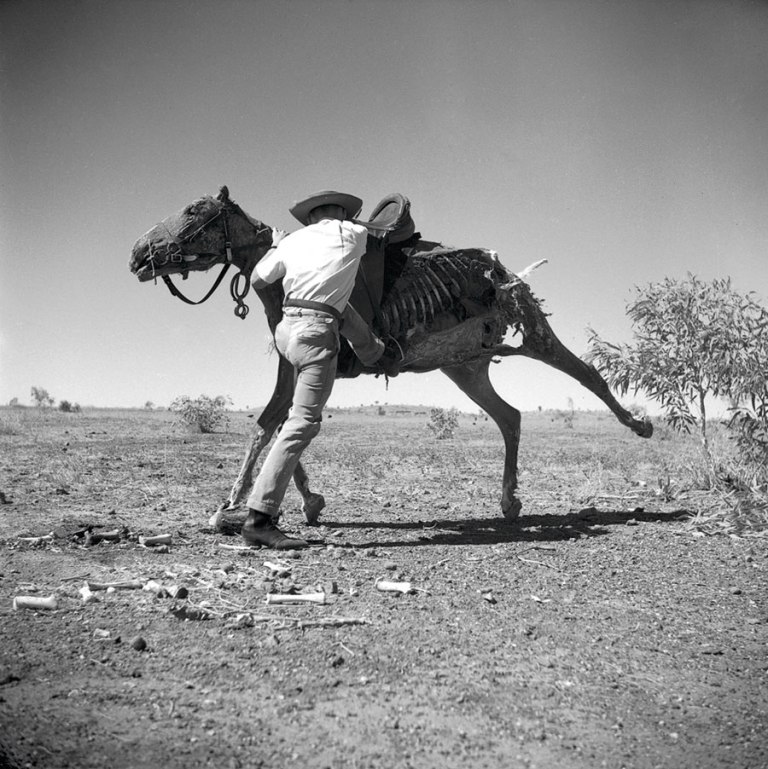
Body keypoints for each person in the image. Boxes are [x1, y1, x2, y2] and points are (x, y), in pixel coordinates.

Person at [243, 190, 399, 549]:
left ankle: (373, 350)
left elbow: (258, 280)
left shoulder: (293, 241)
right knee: (302, 424)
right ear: (342, 214)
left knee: (337, 307)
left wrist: (276, 247)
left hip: (287, 332)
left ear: (311, 217)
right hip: (316, 336)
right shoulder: (352, 234)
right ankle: (259, 519)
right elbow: (385, 230)